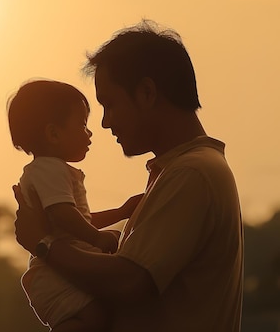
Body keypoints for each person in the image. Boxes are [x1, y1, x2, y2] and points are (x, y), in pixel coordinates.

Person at [13, 20, 243, 332]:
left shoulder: (192, 173)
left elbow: (130, 281)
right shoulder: (183, 170)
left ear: (147, 93)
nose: (106, 123)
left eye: (109, 104)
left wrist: (42, 244)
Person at [7, 79, 143, 331]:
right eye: (82, 125)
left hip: (59, 267)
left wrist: (122, 212)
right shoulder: (50, 170)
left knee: (96, 316)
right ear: (53, 134)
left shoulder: (50, 171)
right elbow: (63, 216)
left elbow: (79, 218)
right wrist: (96, 238)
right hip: (54, 275)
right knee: (92, 317)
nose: (89, 133)